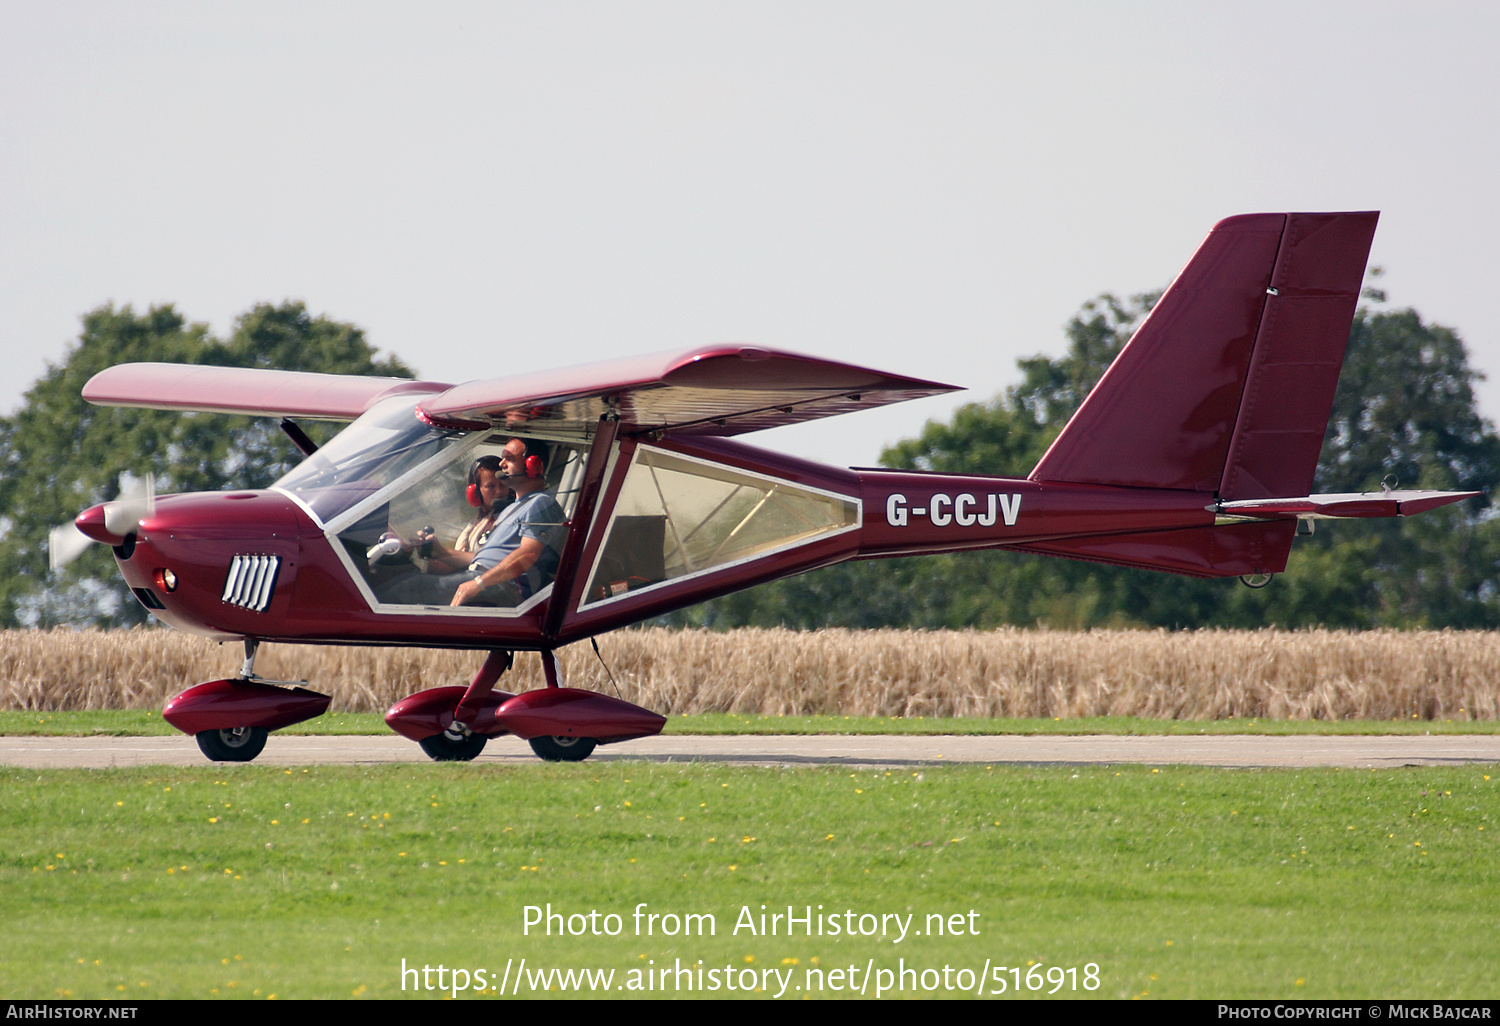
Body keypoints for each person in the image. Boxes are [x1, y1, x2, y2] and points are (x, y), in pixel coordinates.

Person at [383, 439, 566, 608]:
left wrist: (479, 583)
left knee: (406, 589)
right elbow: (483, 559)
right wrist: (441, 553)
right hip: (487, 580)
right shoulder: (512, 510)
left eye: (509, 459)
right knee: (402, 582)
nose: (501, 464)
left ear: (533, 465)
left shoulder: (541, 503)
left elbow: (527, 555)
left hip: (505, 588)